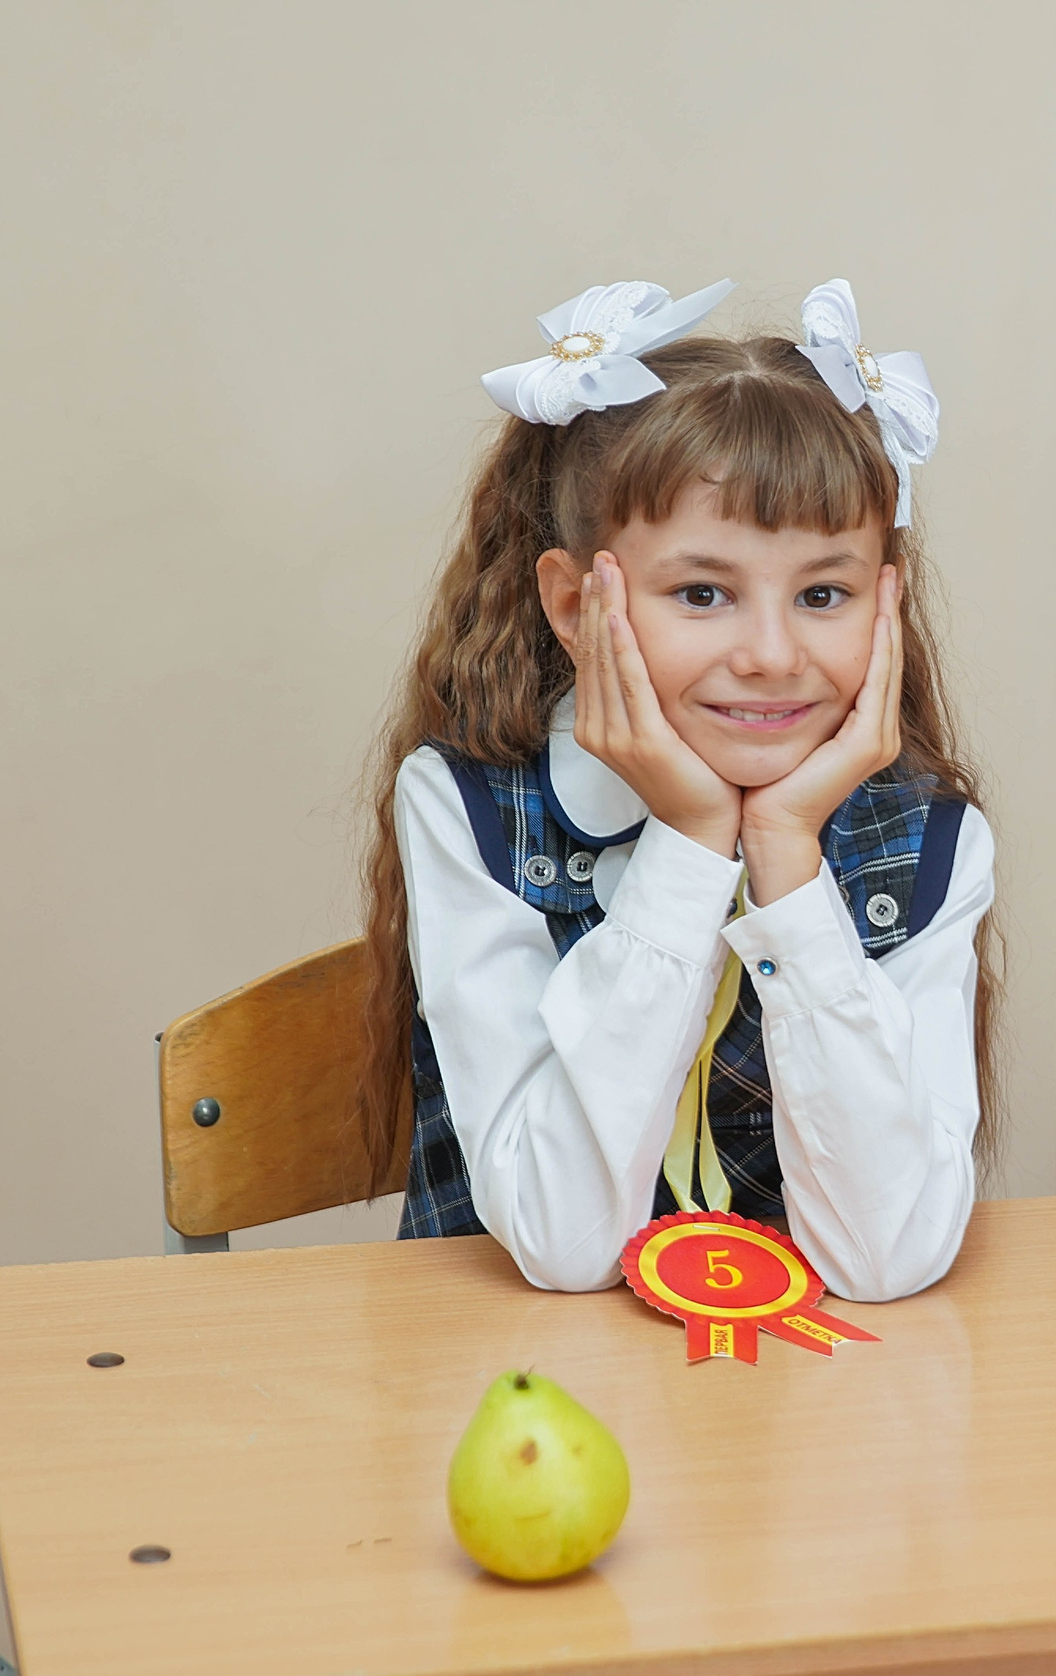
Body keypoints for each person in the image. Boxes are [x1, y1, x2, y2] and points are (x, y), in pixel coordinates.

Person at [357, 276, 993, 1299]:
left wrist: (784, 856)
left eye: (823, 593)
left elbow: (887, 1259)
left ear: (887, 601)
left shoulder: (928, 839)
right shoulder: (468, 807)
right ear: (576, 604)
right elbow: (562, 1245)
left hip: (808, 1387)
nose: (772, 654)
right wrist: (694, 843)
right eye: (703, 592)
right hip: (516, 1379)